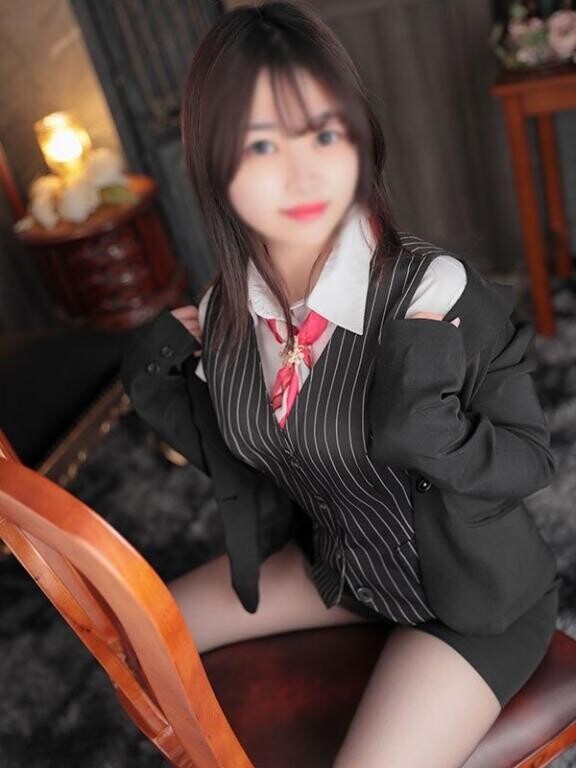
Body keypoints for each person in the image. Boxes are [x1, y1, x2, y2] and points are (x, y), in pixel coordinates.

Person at [121, 2, 560, 766]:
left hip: (466, 604)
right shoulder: (228, 309)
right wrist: (167, 368)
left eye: (323, 133)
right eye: (262, 144)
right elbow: (253, 457)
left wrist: (427, 430)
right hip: (339, 573)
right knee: (136, 642)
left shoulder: (435, 291)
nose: (304, 171)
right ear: (214, 163)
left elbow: (532, 456)